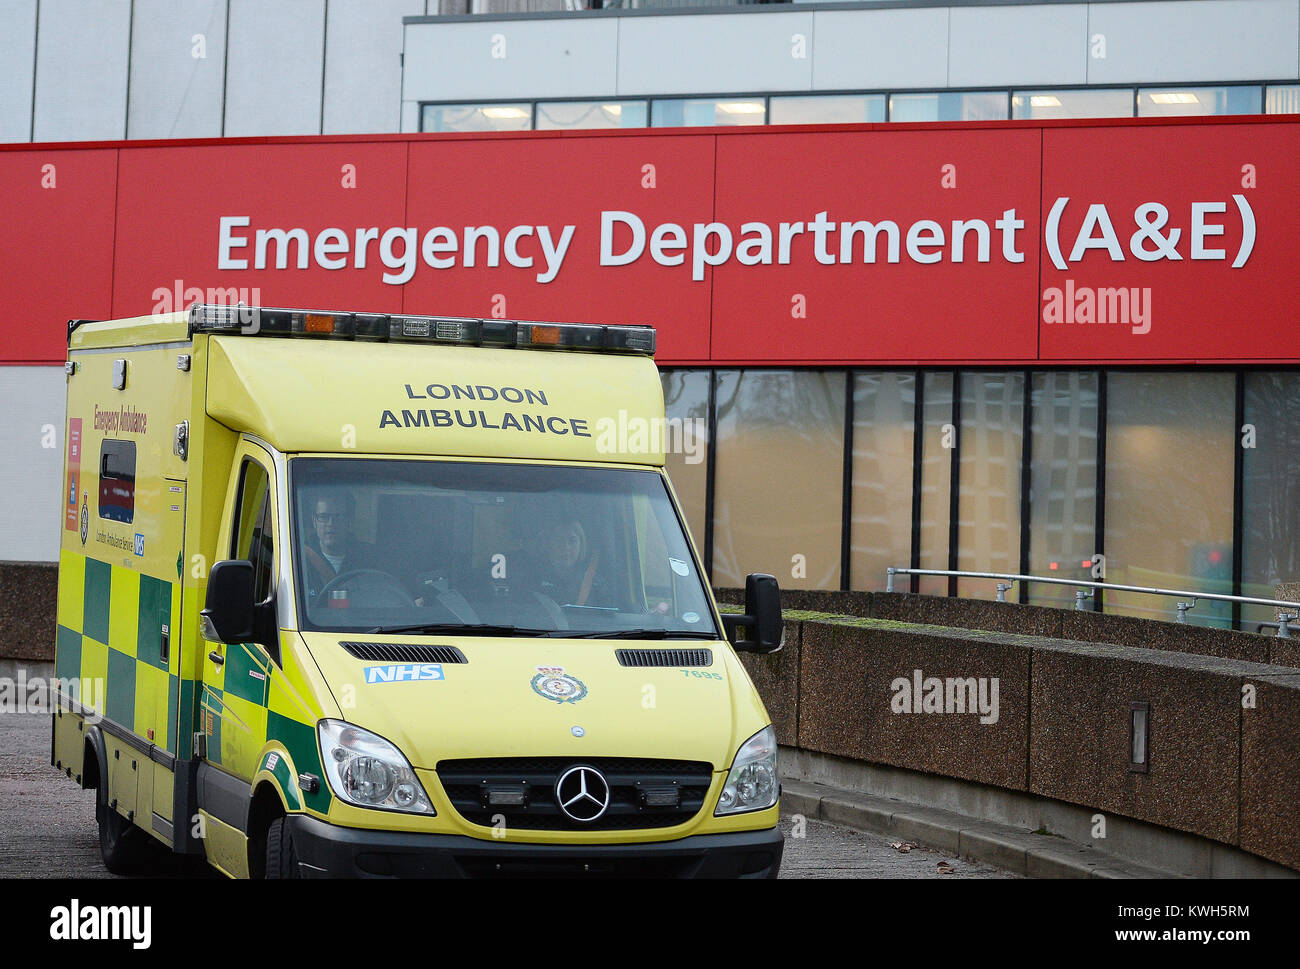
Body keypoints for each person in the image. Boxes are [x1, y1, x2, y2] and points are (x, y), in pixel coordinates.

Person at [303, 492, 377, 598]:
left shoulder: (370, 558)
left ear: (349, 521)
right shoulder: (300, 558)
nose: (331, 523)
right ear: (314, 521)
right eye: (323, 517)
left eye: (338, 516)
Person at [533, 518, 606, 607]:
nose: (566, 547)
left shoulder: (595, 584)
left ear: (581, 544)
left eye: (572, 540)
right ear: (547, 544)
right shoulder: (533, 581)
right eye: (558, 540)